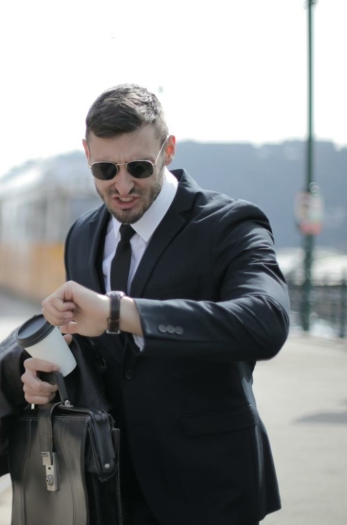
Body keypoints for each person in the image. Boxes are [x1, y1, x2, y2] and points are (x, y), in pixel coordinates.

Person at [19, 84, 290, 524]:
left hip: (209, 489)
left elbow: (266, 322)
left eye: (140, 167)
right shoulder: (82, 235)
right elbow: (93, 352)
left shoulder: (231, 224)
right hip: (107, 487)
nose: (122, 185)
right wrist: (45, 375)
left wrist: (119, 312)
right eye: (105, 168)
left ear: (169, 150)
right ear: (86, 153)